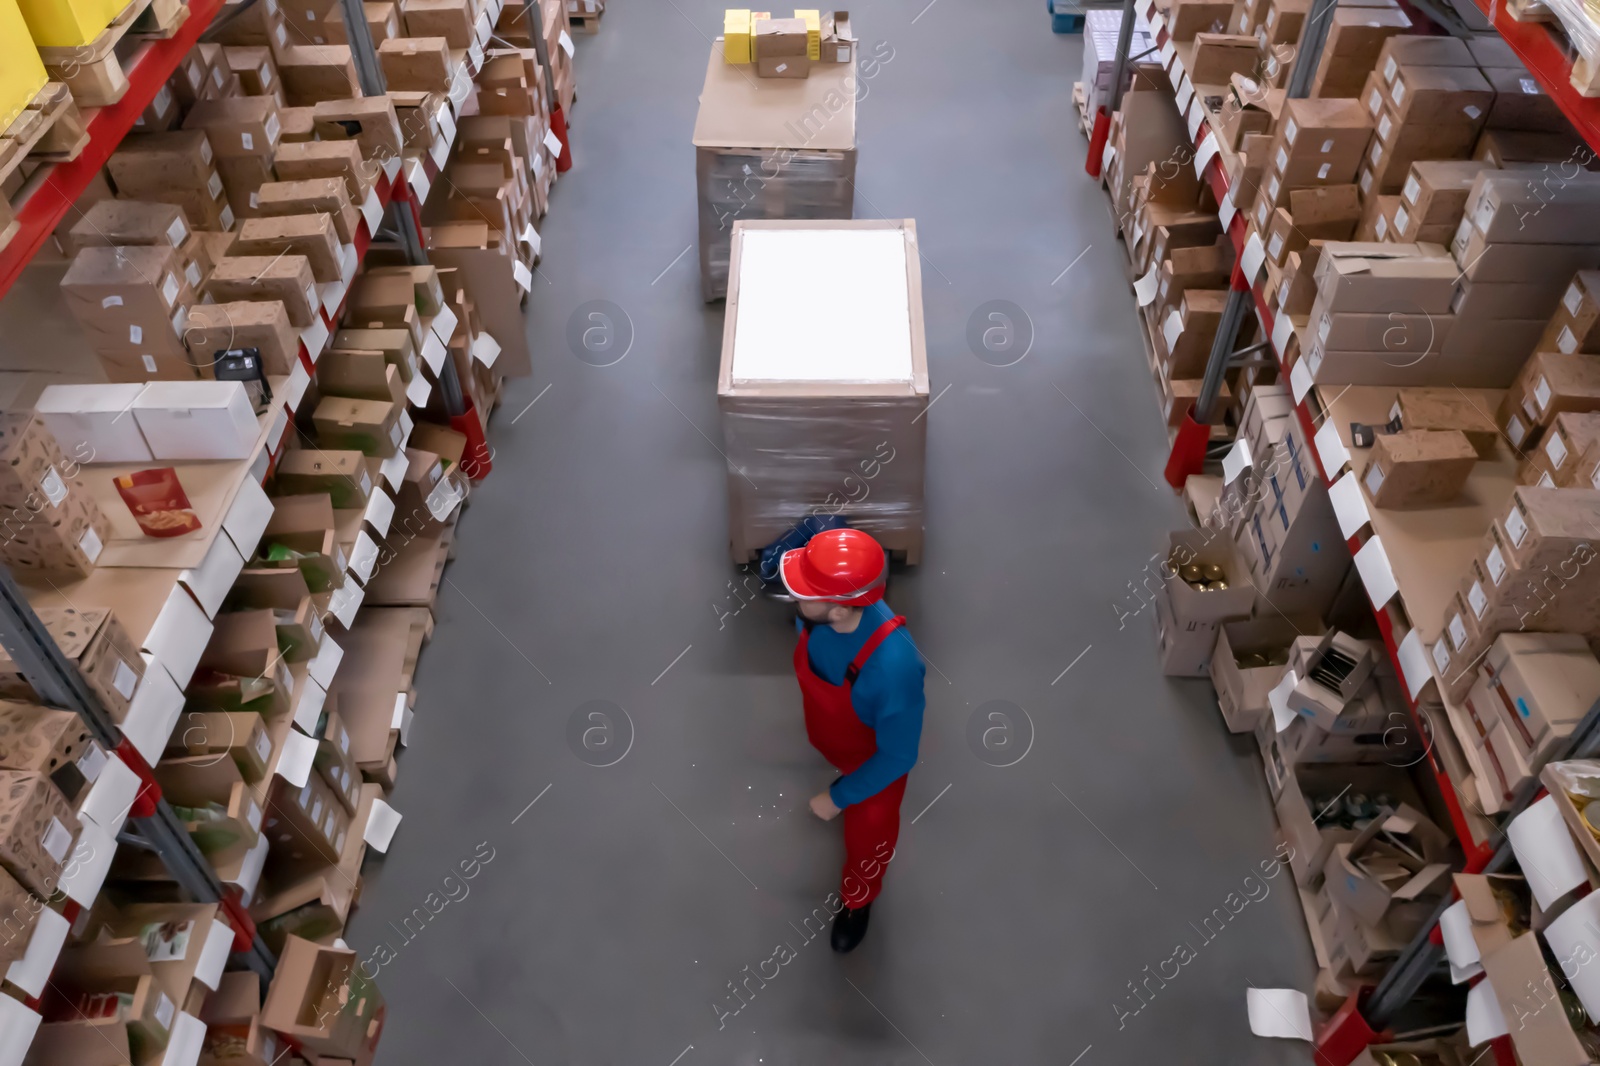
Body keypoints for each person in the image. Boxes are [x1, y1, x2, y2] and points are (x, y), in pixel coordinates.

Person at [780, 528, 926, 953]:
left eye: (806, 593)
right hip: (833, 738)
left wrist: (840, 797)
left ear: (842, 610)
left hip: (872, 765)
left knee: (870, 840)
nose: (796, 601)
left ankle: (857, 902)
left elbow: (899, 755)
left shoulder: (894, 668)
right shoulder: (816, 619)